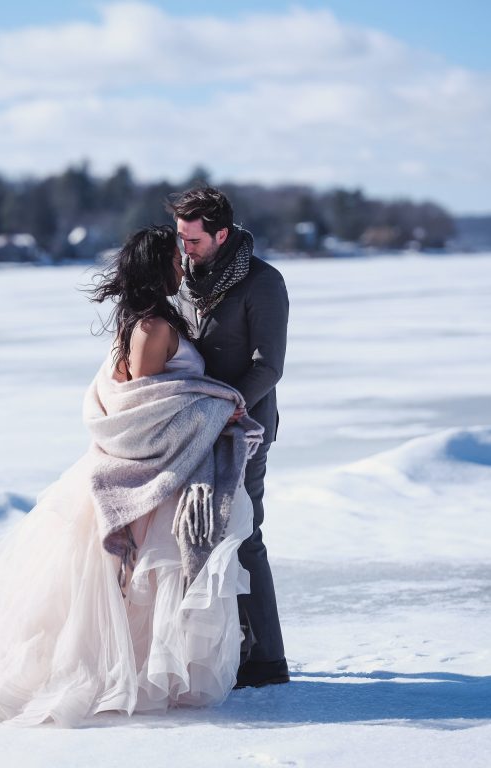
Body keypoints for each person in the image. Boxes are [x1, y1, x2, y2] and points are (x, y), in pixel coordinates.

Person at [0, 225, 264, 726]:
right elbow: (143, 415)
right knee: (129, 588)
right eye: (175, 258)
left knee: (141, 590)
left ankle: (141, 665)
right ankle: (119, 673)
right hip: (145, 473)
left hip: (161, 469)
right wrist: (216, 407)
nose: (182, 266)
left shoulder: (156, 321)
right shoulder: (151, 329)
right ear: (156, 268)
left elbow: (163, 398)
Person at [169, 186, 290, 688]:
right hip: (194, 427)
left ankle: (265, 660)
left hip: (245, 428)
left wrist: (225, 410)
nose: (185, 248)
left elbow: (268, 366)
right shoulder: (187, 276)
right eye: (180, 238)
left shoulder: (263, 283)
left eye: (194, 240)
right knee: (197, 536)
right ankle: (223, 650)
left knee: (244, 535)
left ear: (221, 234)